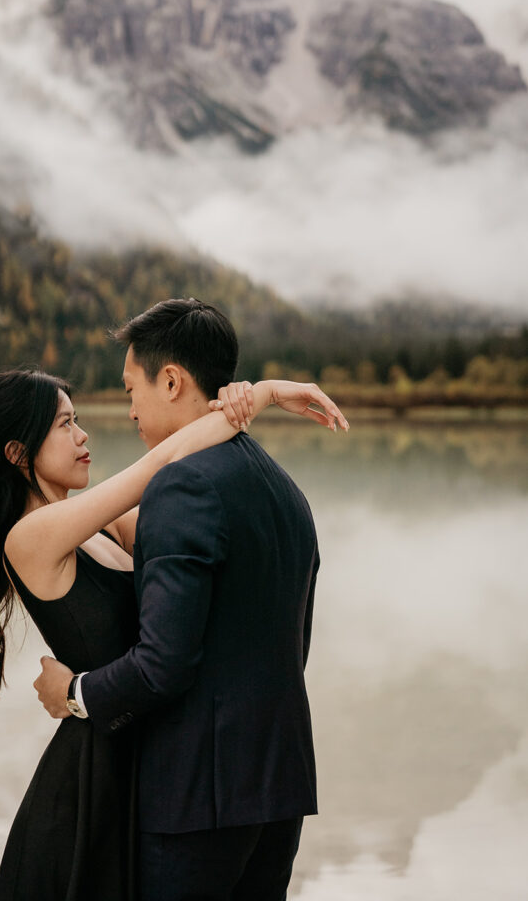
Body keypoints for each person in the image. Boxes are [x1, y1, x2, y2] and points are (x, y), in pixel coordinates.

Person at [0, 349, 346, 901]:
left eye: (76, 419)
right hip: (99, 770)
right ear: (17, 452)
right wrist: (267, 393)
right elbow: (158, 468)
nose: (83, 435)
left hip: (151, 743)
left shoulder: (104, 522)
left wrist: (228, 401)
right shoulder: (29, 539)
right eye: (65, 424)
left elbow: (203, 519)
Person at [34, 298, 349, 901]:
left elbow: (163, 663)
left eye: (132, 388)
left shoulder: (183, 486)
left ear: (172, 381)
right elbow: (293, 643)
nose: (128, 410)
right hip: (278, 784)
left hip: (198, 795)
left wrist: (73, 694)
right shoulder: (285, 490)